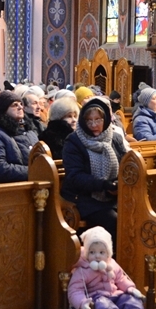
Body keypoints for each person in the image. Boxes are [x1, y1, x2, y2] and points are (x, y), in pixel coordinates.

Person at [66, 226, 156, 309]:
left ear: (108, 253)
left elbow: (121, 279)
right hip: (94, 302)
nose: (97, 256)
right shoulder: (82, 271)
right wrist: (82, 303)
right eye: (92, 252)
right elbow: (75, 290)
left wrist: (130, 288)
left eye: (101, 252)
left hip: (114, 295)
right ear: (86, 254)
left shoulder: (112, 264)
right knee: (107, 308)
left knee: (130, 301)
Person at [61, 96, 130, 240]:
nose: (93, 125)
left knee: (133, 217)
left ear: (106, 119)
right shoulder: (74, 141)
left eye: (98, 120)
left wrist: (118, 184)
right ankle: (112, 254)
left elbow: (126, 164)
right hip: (84, 198)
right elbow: (75, 176)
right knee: (115, 221)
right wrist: (103, 185)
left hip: (113, 196)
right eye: (89, 120)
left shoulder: (115, 138)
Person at [0, 91, 39, 184]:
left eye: (21, 104)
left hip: (34, 183)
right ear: (3, 110)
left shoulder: (29, 132)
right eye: (14, 105)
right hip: (9, 188)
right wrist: (33, 172)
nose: (20, 107)